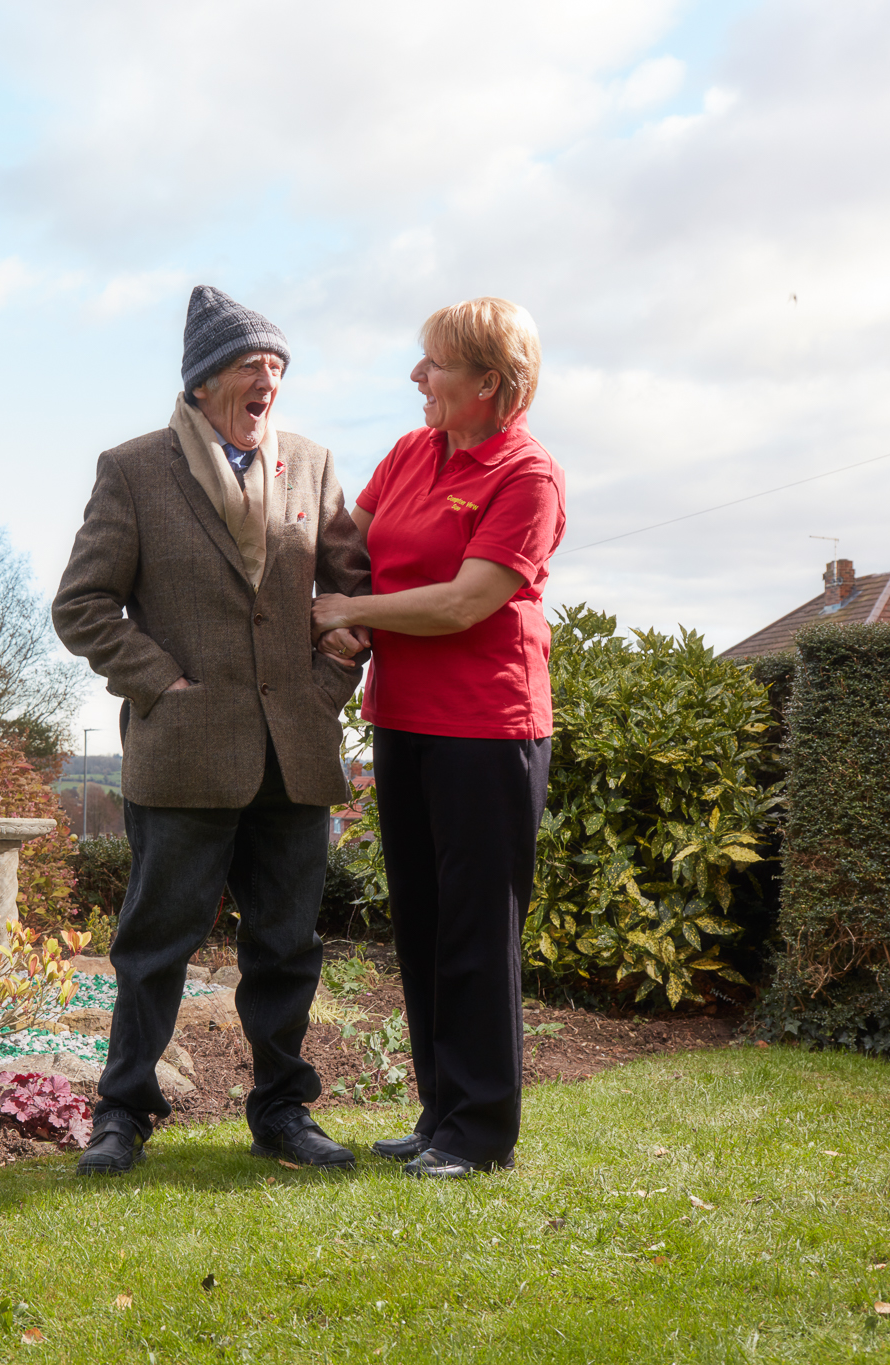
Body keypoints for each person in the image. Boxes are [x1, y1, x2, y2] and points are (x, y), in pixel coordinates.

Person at [52, 285, 373, 1175]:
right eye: (249, 366)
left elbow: (352, 597)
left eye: (277, 367)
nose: (268, 381)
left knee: (288, 946)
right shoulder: (133, 469)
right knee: (153, 947)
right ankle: (123, 1112)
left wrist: (326, 687)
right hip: (184, 753)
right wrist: (164, 683)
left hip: (294, 754)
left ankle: (283, 1112)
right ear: (201, 381)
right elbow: (82, 605)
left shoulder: (313, 465)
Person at [310, 297, 564, 1180]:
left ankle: (480, 1130)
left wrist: (350, 611)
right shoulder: (412, 453)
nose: (417, 375)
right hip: (403, 718)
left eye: (437, 363)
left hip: (487, 727)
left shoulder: (527, 474)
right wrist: (346, 615)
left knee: (476, 930)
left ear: (489, 382)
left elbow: (465, 600)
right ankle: (439, 1115)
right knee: (421, 925)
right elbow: (351, 546)